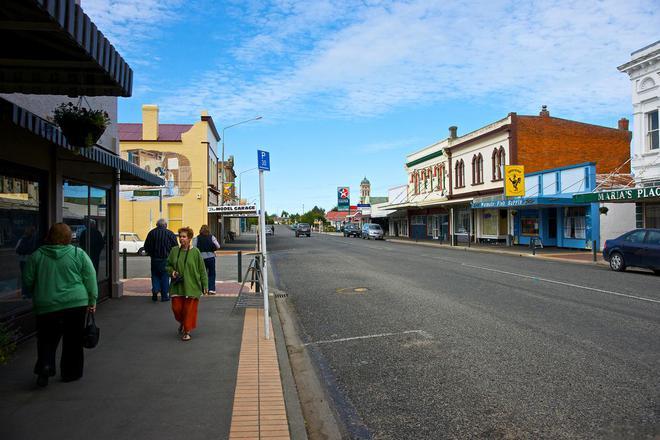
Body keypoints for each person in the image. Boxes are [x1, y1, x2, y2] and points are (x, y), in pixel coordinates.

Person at [23, 223, 97, 387]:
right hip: (75, 304)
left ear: (49, 236)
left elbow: (27, 280)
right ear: (69, 237)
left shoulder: (37, 256)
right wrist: (92, 301)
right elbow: (90, 279)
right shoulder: (78, 254)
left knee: (46, 339)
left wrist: (41, 290)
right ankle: (71, 373)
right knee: (73, 340)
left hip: (47, 305)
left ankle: (45, 367)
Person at [167, 226, 208, 341]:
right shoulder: (174, 251)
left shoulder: (196, 252)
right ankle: (182, 322)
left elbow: (202, 270)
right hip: (177, 286)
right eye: (180, 237)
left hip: (192, 286)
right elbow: (168, 265)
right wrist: (172, 272)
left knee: (189, 310)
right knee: (176, 308)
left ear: (189, 238)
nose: (181, 239)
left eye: (184, 237)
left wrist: (205, 285)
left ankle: (187, 331)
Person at [144, 219, 178, 302]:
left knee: (155, 275)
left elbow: (146, 246)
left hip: (155, 259)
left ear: (157, 225)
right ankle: (164, 296)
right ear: (165, 225)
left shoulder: (151, 233)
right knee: (165, 276)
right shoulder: (170, 233)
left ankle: (155, 289)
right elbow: (175, 247)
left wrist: (151, 254)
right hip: (166, 259)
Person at [193, 225, 220, 295]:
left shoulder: (197, 238)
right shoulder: (212, 237)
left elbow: (194, 247)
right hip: (211, 257)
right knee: (212, 273)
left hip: (201, 258)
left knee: (202, 274)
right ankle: (211, 289)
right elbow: (218, 246)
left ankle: (203, 289)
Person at [16, 225, 37, 299]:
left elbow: (17, 249)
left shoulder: (22, 239)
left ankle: (24, 293)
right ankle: (30, 293)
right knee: (32, 277)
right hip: (31, 259)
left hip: (23, 260)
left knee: (24, 277)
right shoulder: (35, 239)